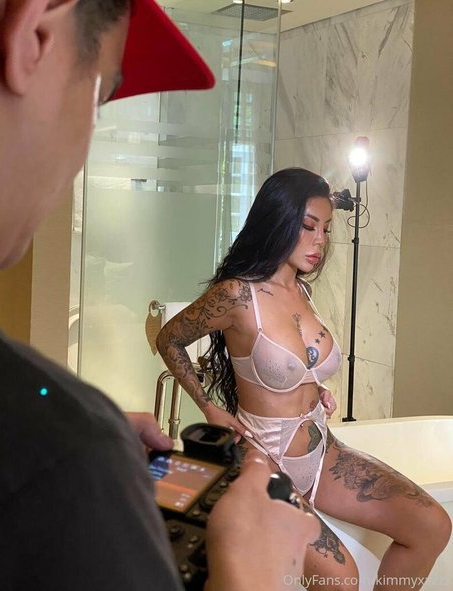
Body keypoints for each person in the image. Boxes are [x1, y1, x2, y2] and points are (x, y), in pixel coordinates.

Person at [0, 1, 319, 590]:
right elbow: (171, 338)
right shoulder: (60, 466)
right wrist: (251, 572)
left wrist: (82, 430)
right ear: (34, 35)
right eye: (99, 97)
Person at [157, 167, 452, 591]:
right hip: (263, 457)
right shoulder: (237, 294)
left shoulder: (303, 291)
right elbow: (169, 339)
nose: (320, 241)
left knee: (432, 525)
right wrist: (208, 407)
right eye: (309, 226)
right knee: (341, 579)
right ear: (278, 221)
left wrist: (318, 387)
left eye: (327, 229)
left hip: (322, 452)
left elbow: (291, 368)